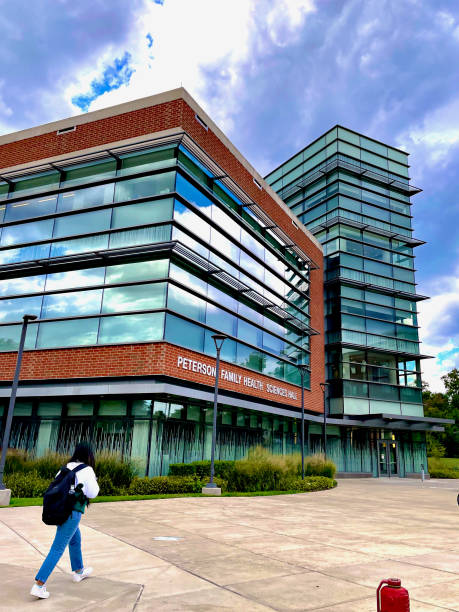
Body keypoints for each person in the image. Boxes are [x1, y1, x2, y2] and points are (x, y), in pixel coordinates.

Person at [30, 442, 99, 600]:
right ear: (88, 455)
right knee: (57, 548)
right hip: (72, 512)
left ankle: (78, 571)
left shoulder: (66, 467)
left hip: (61, 511)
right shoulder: (87, 470)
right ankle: (39, 585)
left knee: (75, 540)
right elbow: (93, 493)